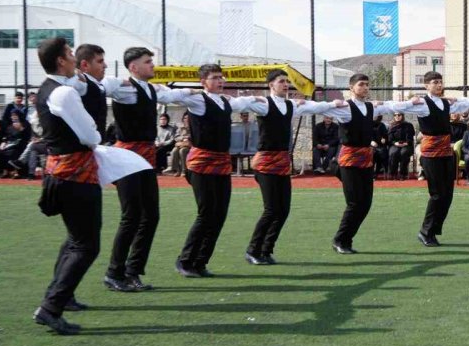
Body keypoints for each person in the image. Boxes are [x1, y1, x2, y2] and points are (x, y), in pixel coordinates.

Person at [30, 38, 103, 335]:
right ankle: (51, 307)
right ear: (61, 61)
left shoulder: (50, 89)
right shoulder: (63, 93)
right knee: (86, 245)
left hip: (61, 173)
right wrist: (94, 133)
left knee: (75, 240)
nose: (75, 58)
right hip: (76, 174)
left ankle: (58, 297)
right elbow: (91, 135)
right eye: (71, 54)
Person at [103, 47, 188, 292]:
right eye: (148, 62)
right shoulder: (124, 88)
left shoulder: (151, 89)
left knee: (150, 215)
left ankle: (132, 271)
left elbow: (175, 95)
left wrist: (199, 92)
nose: (153, 65)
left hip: (145, 159)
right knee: (131, 216)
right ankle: (114, 272)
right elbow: (103, 85)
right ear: (133, 67)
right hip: (126, 157)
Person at [173, 64, 263, 277]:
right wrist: (188, 91)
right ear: (203, 82)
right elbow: (169, 97)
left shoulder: (225, 102)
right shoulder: (197, 100)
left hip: (222, 164)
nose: (220, 81)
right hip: (202, 164)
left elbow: (243, 102)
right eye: (215, 78)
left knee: (219, 214)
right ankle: (185, 261)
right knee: (206, 214)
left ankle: (201, 262)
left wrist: (258, 100)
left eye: (221, 77)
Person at [302, 74, 407, 254]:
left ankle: (346, 239)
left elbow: (391, 106)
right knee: (354, 203)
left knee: (365, 203)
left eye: (367, 84)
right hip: (349, 160)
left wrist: (412, 101)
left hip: (366, 160)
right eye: (361, 85)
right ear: (351, 88)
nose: (365, 88)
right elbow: (321, 107)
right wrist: (297, 104)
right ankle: (340, 240)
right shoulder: (345, 108)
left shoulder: (370, 107)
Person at [388, 71, 469, 246]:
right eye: (435, 82)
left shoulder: (445, 103)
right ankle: (425, 232)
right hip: (430, 154)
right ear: (426, 85)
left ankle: (433, 231)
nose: (439, 85)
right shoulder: (421, 104)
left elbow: (466, 103)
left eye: (441, 82)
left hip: (446, 153)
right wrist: (383, 104)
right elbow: (398, 106)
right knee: (437, 194)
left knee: (447, 194)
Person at [244, 69, 329, 265]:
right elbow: (241, 104)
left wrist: (335, 104)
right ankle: (253, 250)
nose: (285, 85)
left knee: (283, 209)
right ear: (271, 85)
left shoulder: (290, 106)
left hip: (282, 162)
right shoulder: (264, 105)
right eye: (281, 81)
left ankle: (266, 250)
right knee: (271, 209)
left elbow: (314, 107)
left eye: (286, 82)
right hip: (265, 163)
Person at [0, 111, 31, 177]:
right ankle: (0, 171)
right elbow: (6, 137)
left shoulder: (25, 124)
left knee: (12, 152)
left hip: (21, 145)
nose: (13, 117)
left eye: (15, 116)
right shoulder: (10, 126)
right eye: (12, 116)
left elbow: (27, 136)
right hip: (9, 145)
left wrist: (21, 129)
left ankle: (14, 171)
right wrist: (4, 142)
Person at [386, 112, 415, 180]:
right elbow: (389, 139)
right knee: (393, 153)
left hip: (407, 145)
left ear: (402, 116)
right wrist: (395, 143)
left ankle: (403, 174)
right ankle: (393, 174)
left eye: (399, 115)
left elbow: (410, 137)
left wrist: (406, 143)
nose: (397, 116)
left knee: (403, 153)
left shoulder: (408, 125)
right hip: (395, 144)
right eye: (395, 115)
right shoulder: (391, 126)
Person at [165, 112, 191, 177]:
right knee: (174, 151)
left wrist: (187, 138)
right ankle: (176, 170)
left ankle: (184, 170)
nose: (186, 119)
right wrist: (183, 138)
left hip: (189, 145)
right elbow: (176, 137)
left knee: (182, 151)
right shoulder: (180, 128)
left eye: (188, 118)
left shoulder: (193, 127)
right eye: (185, 118)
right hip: (181, 144)